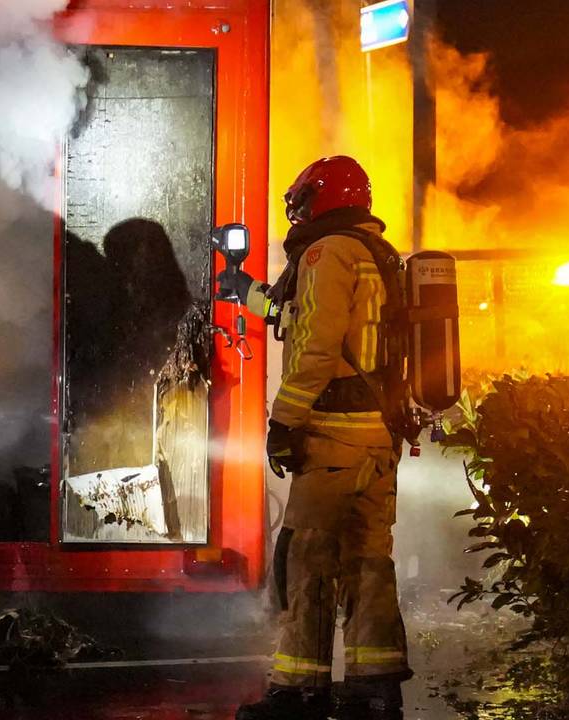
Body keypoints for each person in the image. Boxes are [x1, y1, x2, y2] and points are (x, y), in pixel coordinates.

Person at [220, 156, 412, 720]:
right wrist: (245, 291)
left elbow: (316, 347)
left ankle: (299, 692)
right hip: (378, 436)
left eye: (303, 201)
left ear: (321, 199)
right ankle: (376, 690)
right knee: (368, 561)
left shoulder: (327, 254)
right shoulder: (377, 253)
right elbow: (293, 313)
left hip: (333, 436)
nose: (298, 212)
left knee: (306, 559)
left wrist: (284, 422)